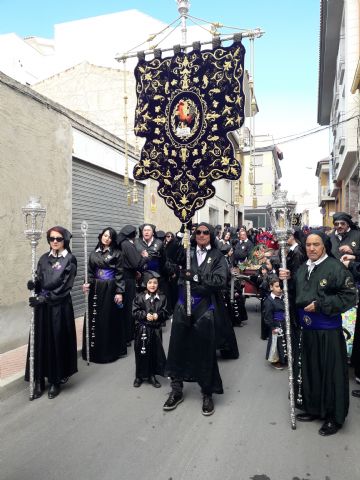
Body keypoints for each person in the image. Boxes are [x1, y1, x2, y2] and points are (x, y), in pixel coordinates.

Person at [279, 231, 357, 436]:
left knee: (330, 374)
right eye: (308, 245)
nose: (311, 248)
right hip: (306, 329)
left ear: (324, 246)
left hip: (327, 331)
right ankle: (314, 408)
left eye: (316, 244)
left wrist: (322, 305)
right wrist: (285, 280)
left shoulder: (335, 267)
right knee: (310, 371)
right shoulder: (302, 267)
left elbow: (349, 296)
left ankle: (333, 416)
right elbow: (295, 295)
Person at [164, 223, 230, 416]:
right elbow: (169, 254)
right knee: (177, 347)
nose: (201, 235)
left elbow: (219, 281)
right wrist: (181, 230)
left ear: (211, 235)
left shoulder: (217, 256)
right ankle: (176, 389)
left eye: (205, 232)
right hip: (183, 306)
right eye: (198, 232)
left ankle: (207, 392)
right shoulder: (187, 251)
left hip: (204, 309)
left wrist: (196, 278)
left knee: (205, 350)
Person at [26, 226, 77, 399]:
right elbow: (40, 279)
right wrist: (35, 285)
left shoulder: (69, 260)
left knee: (56, 341)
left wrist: (45, 298)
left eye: (58, 239)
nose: (54, 241)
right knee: (40, 341)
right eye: (51, 238)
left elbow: (65, 286)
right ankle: (39, 379)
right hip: (42, 307)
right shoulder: (43, 259)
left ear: (65, 241)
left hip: (59, 306)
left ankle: (55, 380)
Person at [82, 227, 127, 363]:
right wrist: (86, 283)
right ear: (101, 236)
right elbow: (89, 271)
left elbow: (120, 274)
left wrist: (120, 292)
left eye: (109, 237)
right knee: (94, 317)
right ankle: (92, 351)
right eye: (105, 235)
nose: (106, 238)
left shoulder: (117, 254)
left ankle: (108, 352)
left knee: (107, 318)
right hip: (95, 288)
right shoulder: (94, 254)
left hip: (110, 288)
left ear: (113, 240)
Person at [132, 271, 168, 388]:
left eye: (155, 283)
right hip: (142, 329)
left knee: (154, 352)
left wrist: (159, 315)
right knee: (141, 352)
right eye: (150, 283)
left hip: (155, 330)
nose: (152, 285)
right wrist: (144, 315)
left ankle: (152, 375)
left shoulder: (162, 297)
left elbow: (166, 311)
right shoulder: (139, 297)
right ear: (145, 284)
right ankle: (139, 376)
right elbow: (134, 311)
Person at [118, 225, 147, 344]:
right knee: (129, 307)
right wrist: (145, 257)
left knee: (124, 307)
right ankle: (128, 336)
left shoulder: (121, 243)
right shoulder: (127, 244)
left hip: (126, 277)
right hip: (127, 279)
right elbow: (136, 263)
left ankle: (125, 335)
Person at [263, 277, 287, 370]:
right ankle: (275, 361)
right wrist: (272, 327)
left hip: (285, 323)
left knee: (285, 341)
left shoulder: (284, 298)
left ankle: (284, 359)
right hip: (276, 324)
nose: (279, 288)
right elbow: (267, 316)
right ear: (271, 287)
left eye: (280, 286)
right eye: (277, 286)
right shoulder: (269, 301)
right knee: (276, 343)